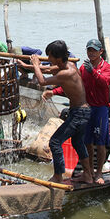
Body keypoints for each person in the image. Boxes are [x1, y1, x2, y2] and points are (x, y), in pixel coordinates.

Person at [42, 39, 110, 184]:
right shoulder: (81, 68)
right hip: (86, 108)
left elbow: (105, 82)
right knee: (83, 142)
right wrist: (54, 92)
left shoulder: (107, 68)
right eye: (89, 50)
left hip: (99, 108)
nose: (91, 53)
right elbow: (74, 87)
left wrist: (93, 72)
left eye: (94, 50)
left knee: (99, 143)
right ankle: (88, 173)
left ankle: (98, 173)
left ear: (101, 52)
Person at [31, 40, 93, 184]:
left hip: (78, 113)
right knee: (78, 143)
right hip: (82, 112)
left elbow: (42, 81)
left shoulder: (66, 73)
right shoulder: (69, 66)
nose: (48, 59)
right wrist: (28, 66)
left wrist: (35, 65)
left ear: (58, 58)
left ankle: (58, 176)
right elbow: (48, 70)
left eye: (50, 57)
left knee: (55, 142)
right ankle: (88, 175)